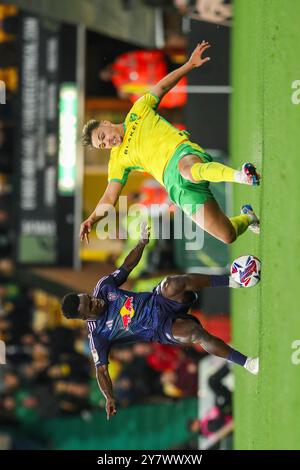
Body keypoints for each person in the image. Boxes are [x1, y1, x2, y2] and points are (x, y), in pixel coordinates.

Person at [61, 224, 259, 420]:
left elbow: (126, 267)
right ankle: (248, 363)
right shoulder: (98, 335)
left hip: (159, 300)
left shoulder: (103, 287)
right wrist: (109, 396)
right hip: (160, 328)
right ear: (85, 317)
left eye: (89, 297)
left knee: (173, 283)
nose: (94, 301)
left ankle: (234, 281)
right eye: (90, 306)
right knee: (195, 333)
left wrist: (141, 244)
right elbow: (102, 371)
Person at [80, 41, 260, 246]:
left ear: (106, 123)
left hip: (182, 154)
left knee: (187, 169)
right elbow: (110, 197)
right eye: (102, 146)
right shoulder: (117, 161)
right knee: (227, 235)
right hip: (175, 187)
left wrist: (189, 65)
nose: (107, 143)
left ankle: (242, 176)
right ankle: (249, 218)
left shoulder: (138, 111)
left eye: (103, 137)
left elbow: (162, 86)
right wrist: (92, 218)